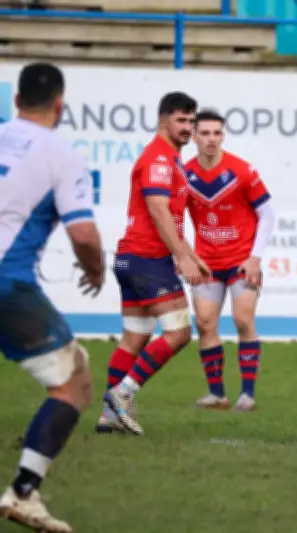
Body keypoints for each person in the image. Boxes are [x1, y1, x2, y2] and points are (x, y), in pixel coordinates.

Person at [0, 62, 104, 533]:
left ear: (16, 101)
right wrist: (95, 270)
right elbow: (83, 234)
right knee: (74, 381)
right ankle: (24, 492)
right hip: (7, 284)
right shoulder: (59, 153)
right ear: (59, 106)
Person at [98, 92, 210, 437]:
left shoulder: (169, 158)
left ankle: (108, 415)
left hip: (132, 257)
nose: (188, 128)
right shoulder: (160, 159)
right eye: (181, 121)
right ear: (163, 121)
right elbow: (159, 211)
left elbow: (172, 217)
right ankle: (123, 394)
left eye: (192, 121)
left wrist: (191, 254)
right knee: (178, 333)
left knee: (135, 338)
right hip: (148, 258)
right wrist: (179, 256)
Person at [184, 110, 275, 412]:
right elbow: (170, 217)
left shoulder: (242, 170)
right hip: (206, 263)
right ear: (194, 136)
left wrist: (255, 258)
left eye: (217, 133)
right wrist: (185, 256)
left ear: (223, 136)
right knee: (205, 323)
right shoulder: (184, 173)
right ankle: (217, 395)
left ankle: (247, 395)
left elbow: (267, 213)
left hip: (240, 262)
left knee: (242, 320)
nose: (211, 139)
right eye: (205, 133)